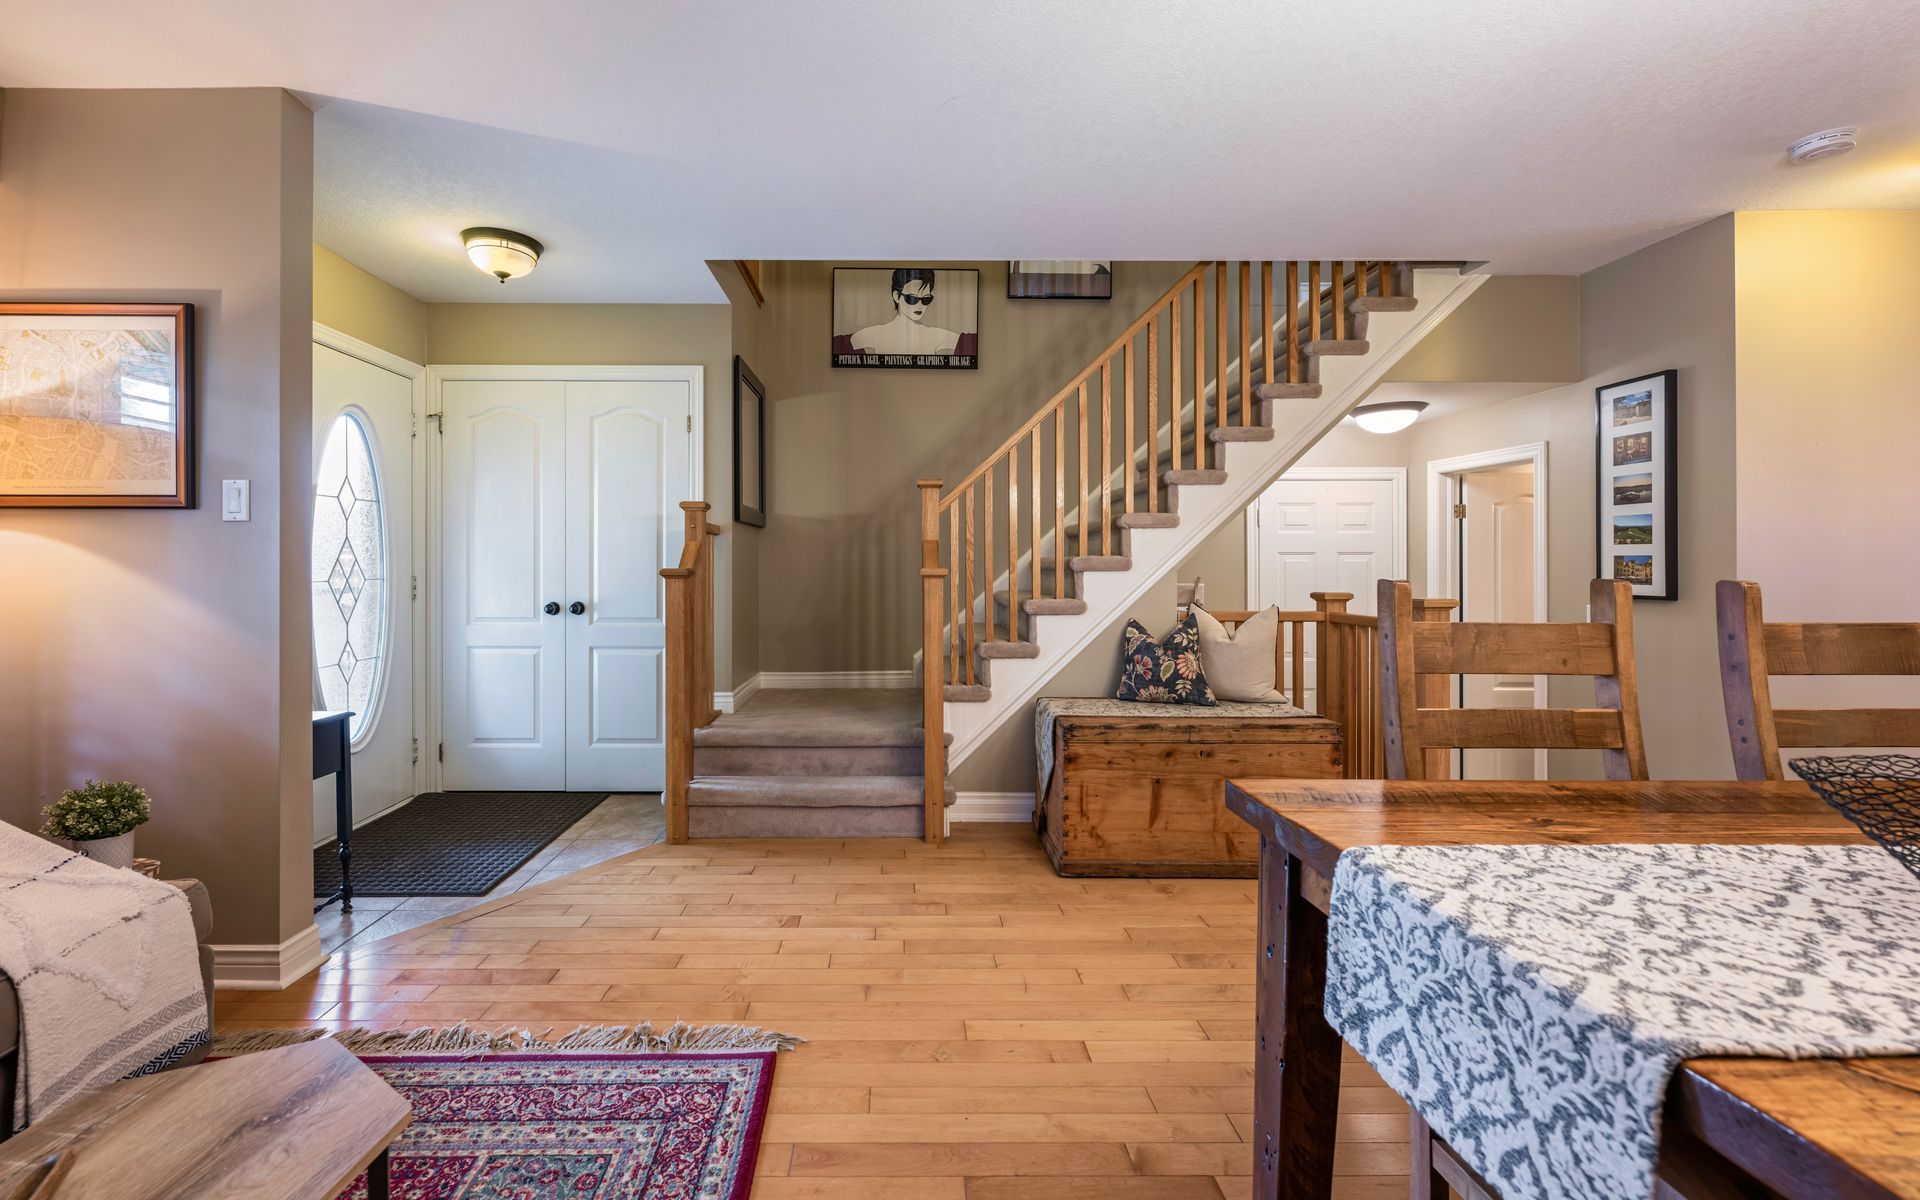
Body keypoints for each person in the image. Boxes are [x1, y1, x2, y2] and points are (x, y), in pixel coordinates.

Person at [841, 268, 971, 357]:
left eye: (926, 299)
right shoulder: (872, 334)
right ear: (896, 296)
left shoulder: (935, 335)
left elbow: (969, 344)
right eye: (912, 298)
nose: (920, 304)